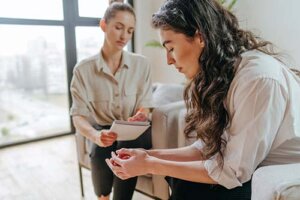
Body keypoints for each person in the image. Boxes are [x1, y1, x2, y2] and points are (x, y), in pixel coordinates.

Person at [105, 0, 300, 199]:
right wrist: (148, 155)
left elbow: (232, 171)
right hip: (252, 164)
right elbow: (206, 148)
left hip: (282, 170)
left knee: (188, 187)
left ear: (200, 37)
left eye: (171, 48)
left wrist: (150, 165)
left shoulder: (257, 80)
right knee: (179, 179)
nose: (168, 60)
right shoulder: (225, 74)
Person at [70, 2, 152, 200]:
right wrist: (96, 135)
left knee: (126, 145)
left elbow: (146, 105)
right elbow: (78, 116)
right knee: (99, 152)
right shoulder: (83, 70)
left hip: (135, 132)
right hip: (104, 130)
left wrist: (142, 113)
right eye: (118, 27)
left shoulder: (142, 64)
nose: (124, 36)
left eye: (130, 30)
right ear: (103, 25)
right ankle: (103, 197)